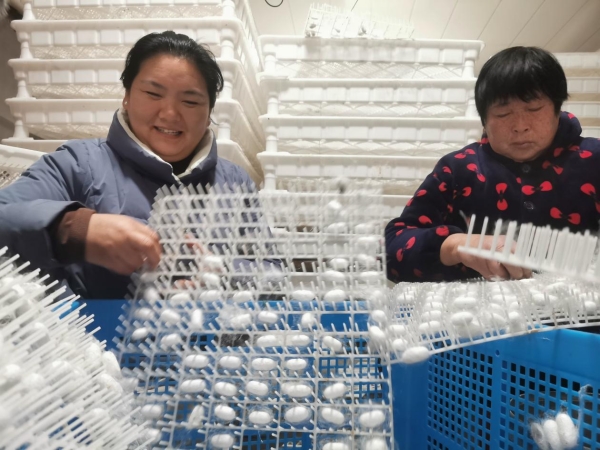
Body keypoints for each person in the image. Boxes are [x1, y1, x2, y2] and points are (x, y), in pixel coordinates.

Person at [0, 31, 260, 299]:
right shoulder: (78, 163)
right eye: (153, 93)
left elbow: (271, 268)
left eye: (190, 101)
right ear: (127, 96)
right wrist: (75, 229)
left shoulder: (235, 182)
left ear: (208, 114)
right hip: (97, 326)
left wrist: (226, 273)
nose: (170, 113)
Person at [385, 46, 600, 283]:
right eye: (503, 114)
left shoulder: (593, 160)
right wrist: (457, 245)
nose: (520, 126)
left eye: (534, 109)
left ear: (557, 109)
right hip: (476, 306)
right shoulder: (458, 168)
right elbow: (392, 250)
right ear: (484, 120)